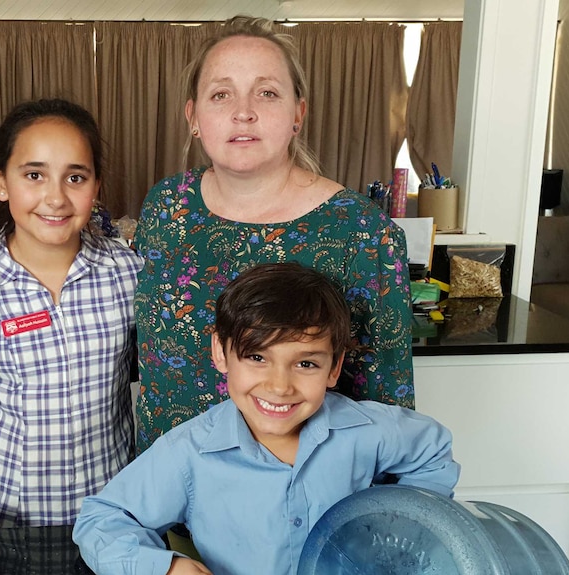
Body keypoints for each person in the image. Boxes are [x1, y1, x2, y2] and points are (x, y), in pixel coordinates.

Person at [134, 15, 414, 453]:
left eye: (266, 93)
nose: (243, 111)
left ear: (298, 113)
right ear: (193, 115)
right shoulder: (167, 206)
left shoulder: (359, 230)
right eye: (221, 94)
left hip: (300, 499)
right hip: (167, 493)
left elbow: (388, 405)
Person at [74, 262, 459, 575]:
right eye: (257, 357)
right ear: (222, 353)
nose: (279, 386)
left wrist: (403, 530)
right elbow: (102, 519)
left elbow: (432, 451)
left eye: (305, 363)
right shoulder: (188, 453)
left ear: (334, 368)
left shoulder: (368, 430)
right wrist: (168, 568)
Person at [0, 98, 142, 526]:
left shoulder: (128, 273)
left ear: (96, 185)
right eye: (34, 175)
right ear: (1, 181)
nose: (55, 198)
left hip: (108, 518)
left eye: (75, 177)